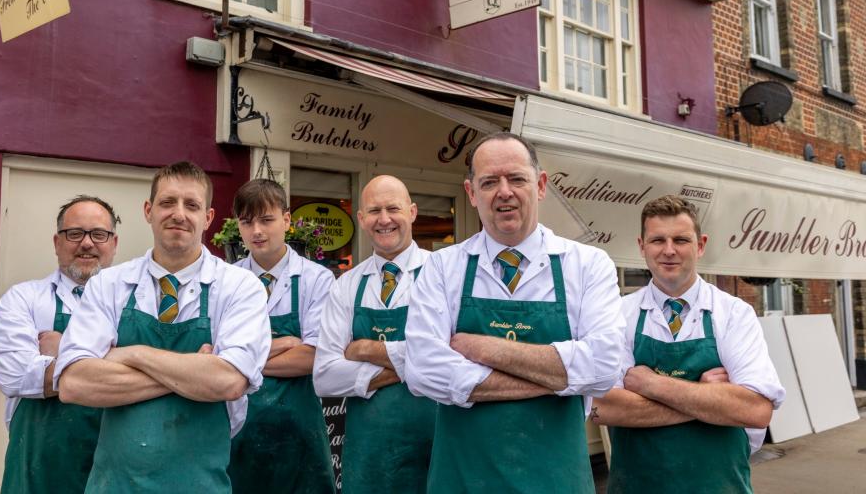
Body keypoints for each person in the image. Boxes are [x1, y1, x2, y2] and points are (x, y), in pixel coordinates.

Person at [405, 132, 625, 494]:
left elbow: (603, 366)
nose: (504, 192)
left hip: (556, 480)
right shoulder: (443, 267)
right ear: (472, 193)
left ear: (539, 185)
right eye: (489, 182)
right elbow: (422, 370)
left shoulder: (587, 264)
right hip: (462, 479)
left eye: (516, 178)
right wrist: (555, 377)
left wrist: (484, 350)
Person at [54, 161, 270, 493]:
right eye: (167, 202)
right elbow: (74, 384)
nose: (178, 214)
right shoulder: (109, 284)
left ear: (208, 218)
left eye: (192, 205)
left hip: (199, 484)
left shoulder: (240, 287)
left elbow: (228, 381)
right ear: (148, 210)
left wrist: (131, 353)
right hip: (114, 485)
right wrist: (195, 373)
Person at [591, 195, 785, 493]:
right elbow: (604, 408)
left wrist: (651, 385)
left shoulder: (733, 314)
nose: (669, 251)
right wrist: (709, 398)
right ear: (642, 246)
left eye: (681, 240)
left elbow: (756, 410)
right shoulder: (618, 314)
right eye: (658, 240)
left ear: (701, 244)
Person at [0, 195, 120, 494]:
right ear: (57, 242)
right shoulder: (23, 300)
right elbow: (17, 375)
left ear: (114, 243)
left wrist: (63, 351)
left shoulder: (137, 307)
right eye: (75, 233)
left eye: (98, 234)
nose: (87, 243)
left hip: (115, 474)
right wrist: (116, 362)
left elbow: (158, 376)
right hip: (37, 476)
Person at [314, 175, 436, 493]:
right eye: (374, 210)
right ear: (362, 219)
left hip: (436, 450)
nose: (384, 219)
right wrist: (411, 363)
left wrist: (365, 349)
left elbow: (447, 356)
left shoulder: (442, 274)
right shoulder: (346, 286)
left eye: (393, 208)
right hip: (368, 457)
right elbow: (325, 376)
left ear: (411, 211)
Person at [228, 179, 336, 494]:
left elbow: (314, 356)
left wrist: (242, 360)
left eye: (266, 219)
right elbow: (217, 355)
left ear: (287, 220)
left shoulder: (318, 279)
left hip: (300, 433)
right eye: (247, 222)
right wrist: (287, 344)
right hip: (240, 433)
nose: (257, 231)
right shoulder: (227, 281)